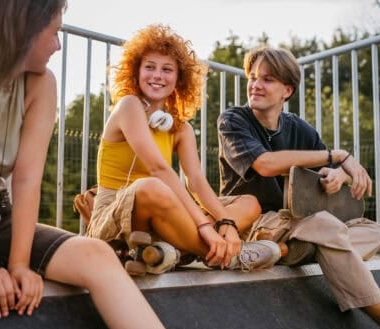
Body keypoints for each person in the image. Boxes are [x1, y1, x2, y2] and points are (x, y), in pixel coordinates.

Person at [0, 3, 293, 329]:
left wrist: (19, 264)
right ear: (20, 27)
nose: (57, 44)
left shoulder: (42, 82)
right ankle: (212, 251)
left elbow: (28, 176)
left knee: (95, 256)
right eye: (53, 31)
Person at [217, 45, 380, 329]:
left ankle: (284, 252)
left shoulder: (298, 128)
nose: (255, 84)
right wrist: (337, 157)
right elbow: (266, 164)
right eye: (253, 77)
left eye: (267, 79)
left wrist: (338, 174)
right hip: (255, 219)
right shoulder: (233, 119)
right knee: (328, 230)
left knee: (371, 230)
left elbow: (324, 170)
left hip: (297, 225)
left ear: (287, 90)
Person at [86, 24, 281, 275]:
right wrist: (205, 226)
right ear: (136, 72)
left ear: (179, 79)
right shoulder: (129, 106)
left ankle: (172, 252)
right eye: (150, 67)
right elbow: (158, 169)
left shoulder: (180, 128)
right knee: (152, 186)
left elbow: (197, 182)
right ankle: (233, 256)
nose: (157, 75)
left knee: (249, 203)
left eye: (167, 69)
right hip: (117, 212)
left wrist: (226, 223)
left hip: (165, 211)